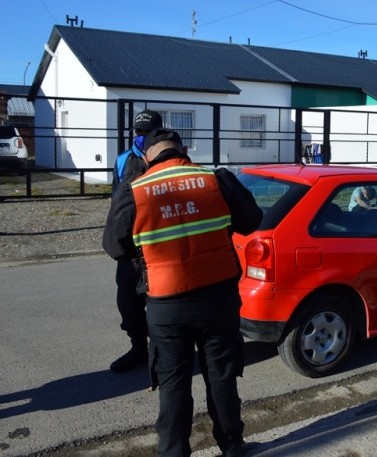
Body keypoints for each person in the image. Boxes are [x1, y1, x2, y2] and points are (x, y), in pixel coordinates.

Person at [102, 128, 262, 457]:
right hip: (218, 299)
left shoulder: (136, 190)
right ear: (183, 149)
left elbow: (115, 246)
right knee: (221, 377)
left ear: (146, 157)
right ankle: (232, 446)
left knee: (173, 384)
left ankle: (173, 452)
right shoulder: (215, 179)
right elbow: (252, 220)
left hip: (166, 303)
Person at [108, 109, 162, 373]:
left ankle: (163, 349)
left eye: (147, 132)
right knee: (127, 301)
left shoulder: (166, 159)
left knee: (161, 301)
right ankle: (138, 347)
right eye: (138, 132)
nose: (141, 137)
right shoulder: (122, 161)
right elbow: (116, 202)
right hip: (131, 248)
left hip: (159, 244)